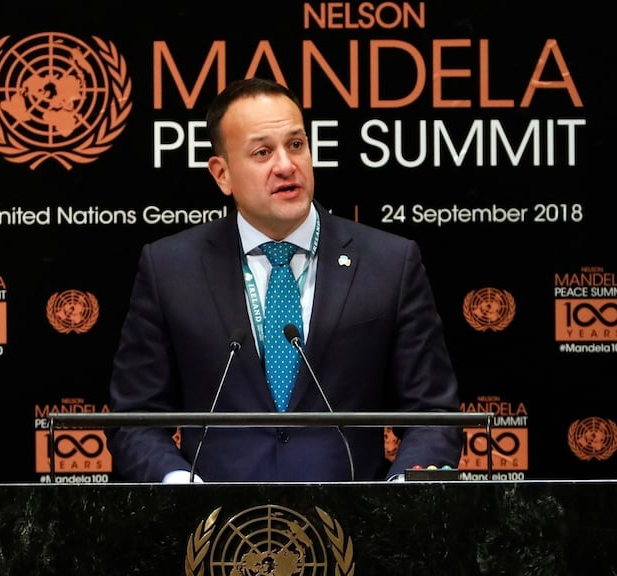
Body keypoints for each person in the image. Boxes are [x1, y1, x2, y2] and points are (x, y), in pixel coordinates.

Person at [106, 77, 461, 483]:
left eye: (296, 145)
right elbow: (134, 419)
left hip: (358, 530)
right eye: (262, 152)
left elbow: (433, 414)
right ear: (222, 174)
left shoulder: (390, 262)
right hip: (213, 532)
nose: (287, 165)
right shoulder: (170, 268)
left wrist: (403, 494)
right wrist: (178, 485)